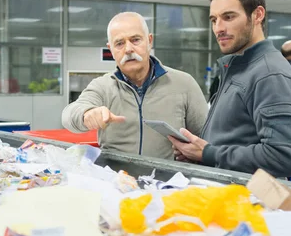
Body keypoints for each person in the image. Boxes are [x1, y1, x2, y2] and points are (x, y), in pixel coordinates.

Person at [169, 0, 291, 178]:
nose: (218, 28)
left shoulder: (270, 74)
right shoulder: (238, 68)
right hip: (227, 197)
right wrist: (198, 154)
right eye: (214, 20)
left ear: (257, 15)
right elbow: (235, 139)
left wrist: (208, 153)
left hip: (250, 204)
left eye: (229, 17)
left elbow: (284, 157)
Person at [61, 12, 208, 159]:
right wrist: (87, 113)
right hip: (117, 179)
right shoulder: (102, 86)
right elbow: (69, 116)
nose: (128, 49)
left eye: (135, 40)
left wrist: (194, 155)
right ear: (110, 49)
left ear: (149, 41)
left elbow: (207, 136)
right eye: (119, 43)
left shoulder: (184, 83)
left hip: (170, 180)